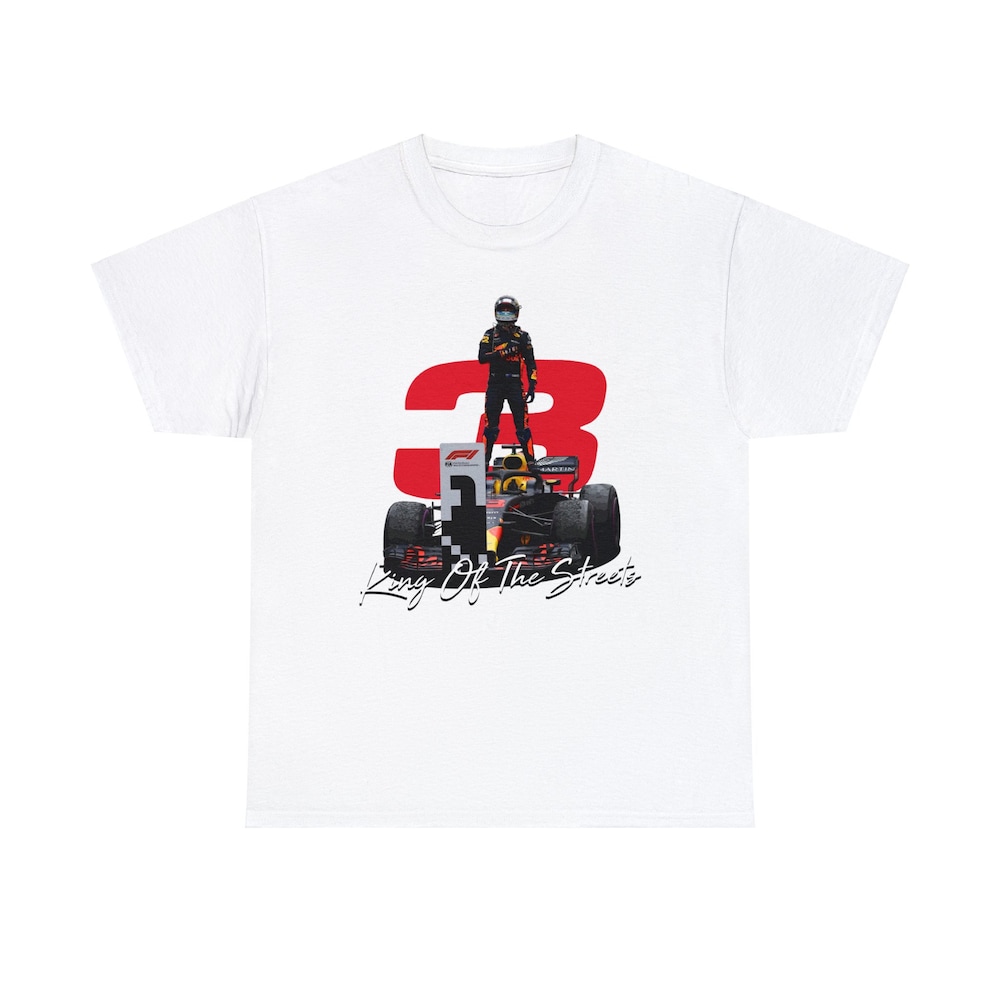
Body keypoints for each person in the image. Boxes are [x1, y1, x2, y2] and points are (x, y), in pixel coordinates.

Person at [478, 296, 538, 467]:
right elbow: (482, 358)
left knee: (522, 425)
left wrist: (532, 384)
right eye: (502, 311)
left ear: (516, 313)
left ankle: (531, 462)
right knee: (490, 425)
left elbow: (531, 362)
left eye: (509, 311)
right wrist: (504, 352)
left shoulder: (523, 336)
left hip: (515, 384)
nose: (505, 315)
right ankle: (484, 462)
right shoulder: (490, 334)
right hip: (495, 383)